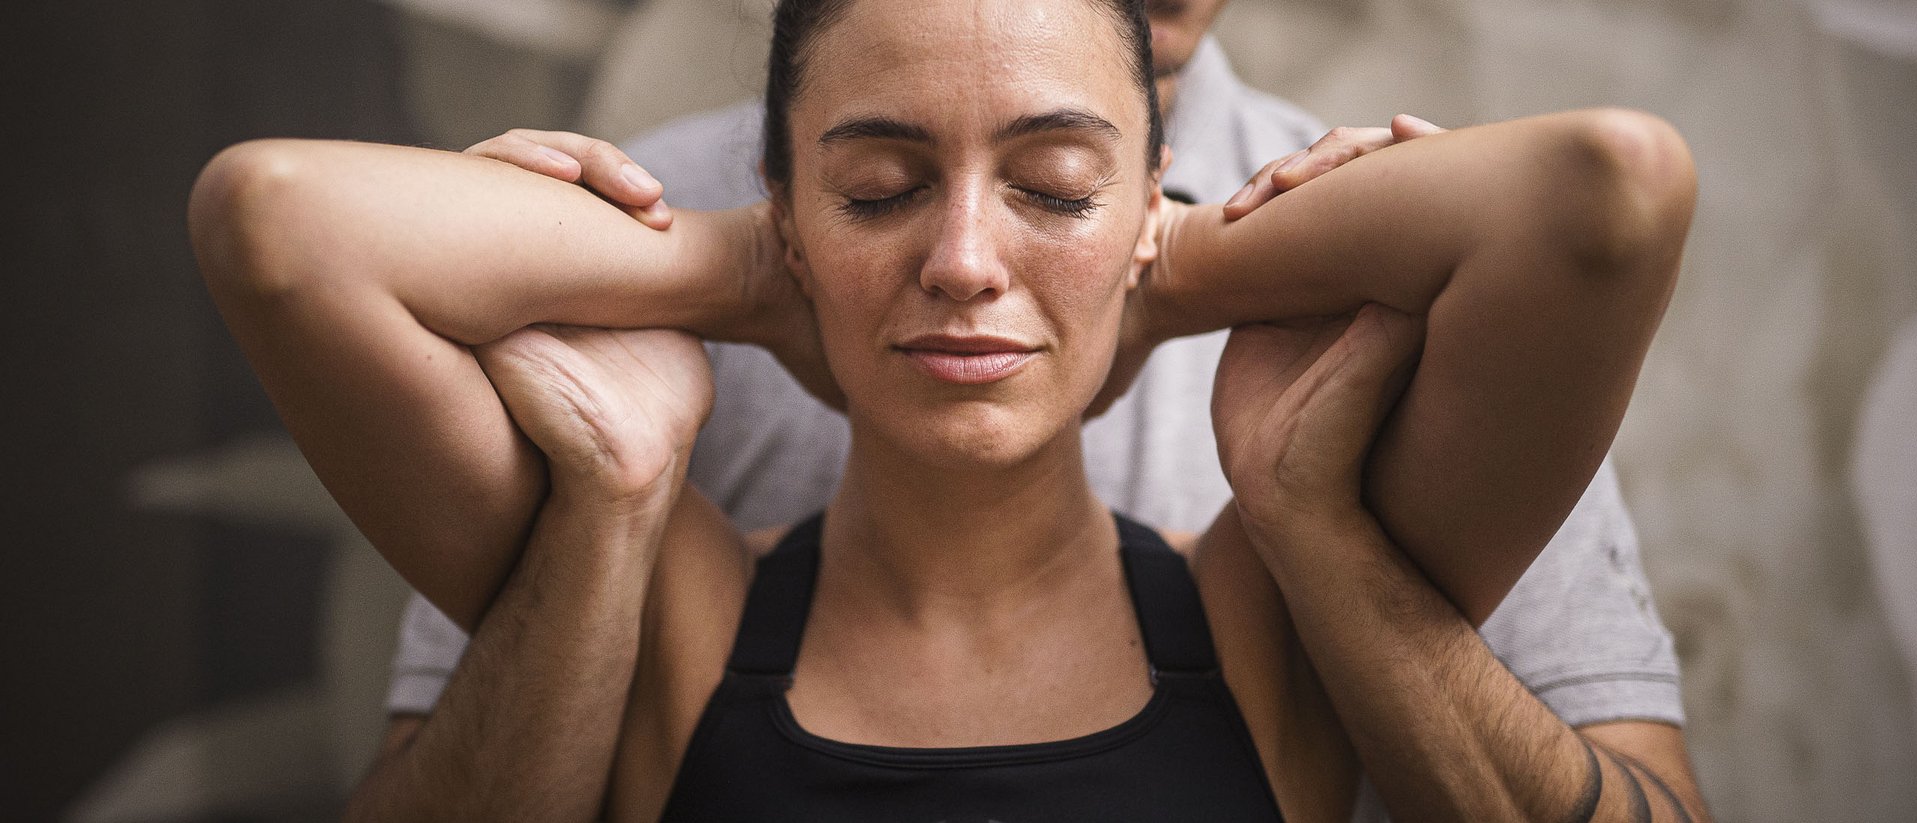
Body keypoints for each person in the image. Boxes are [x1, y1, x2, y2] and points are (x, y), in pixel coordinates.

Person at [190, 0, 1706, 819]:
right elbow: (274, 219)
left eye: (1051, 186)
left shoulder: (1261, 610)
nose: (967, 262)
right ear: (787, 196)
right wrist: (748, 269)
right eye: (877, 187)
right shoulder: (684, 602)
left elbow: (1610, 191)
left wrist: (1162, 265)